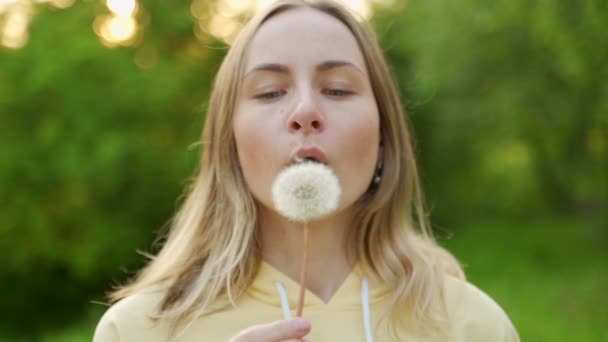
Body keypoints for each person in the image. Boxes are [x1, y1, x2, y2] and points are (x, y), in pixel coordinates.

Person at [93, 0, 520, 341]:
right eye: (270, 92)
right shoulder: (137, 331)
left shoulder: (473, 326)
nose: (305, 112)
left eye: (336, 89)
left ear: (384, 136)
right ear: (231, 143)